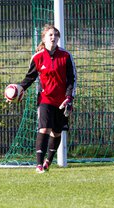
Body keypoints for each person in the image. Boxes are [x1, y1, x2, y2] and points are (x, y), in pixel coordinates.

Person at [12, 24, 77, 173]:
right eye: (50, 35)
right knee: (44, 128)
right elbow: (29, 78)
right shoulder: (38, 57)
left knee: (57, 132)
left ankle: (49, 161)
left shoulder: (66, 56)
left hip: (62, 100)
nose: (53, 37)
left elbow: (72, 79)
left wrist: (69, 97)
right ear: (44, 38)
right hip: (45, 99)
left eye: (56, 35)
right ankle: (39, 164)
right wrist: (18, 90)